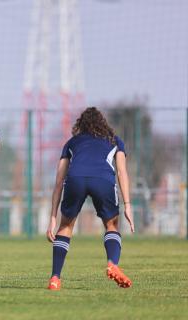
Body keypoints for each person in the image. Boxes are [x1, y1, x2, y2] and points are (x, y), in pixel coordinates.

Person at [46, 107, 134, 290]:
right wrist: (127, 205)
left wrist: (53, 219)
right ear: (103, 123)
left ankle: (55, 278)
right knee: (111, 225)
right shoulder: (115, 141)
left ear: (81, 125)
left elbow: (59, 181)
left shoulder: (72, 142)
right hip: (102, 179)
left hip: (75, 178)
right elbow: (122, 172)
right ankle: (112, 264)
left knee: (66, 227)